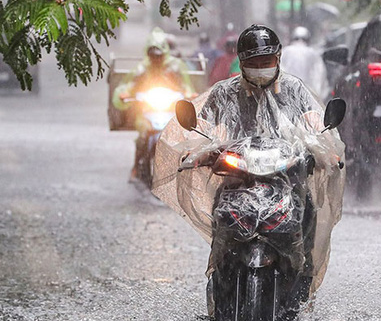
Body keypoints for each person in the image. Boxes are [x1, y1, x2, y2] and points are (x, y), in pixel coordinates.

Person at [152, 24, 345, 297]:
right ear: (241, 63)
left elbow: (313, 121)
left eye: (265, 61)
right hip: (238, 173)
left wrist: (324, 148)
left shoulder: (294, 89)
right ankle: (220, 275)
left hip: (286, 174)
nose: (260, 67)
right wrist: (198, 150)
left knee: (309, 208)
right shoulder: (224, 93)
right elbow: (206, 128)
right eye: (253, 62)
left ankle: (303, 276)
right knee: (222, 210)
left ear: (278, 59)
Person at [113, 27, 195, 182]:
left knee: (184, 137)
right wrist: (125, 94)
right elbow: (128, 86)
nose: (156, 59)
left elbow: (186, 87)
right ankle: (137, 166)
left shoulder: (176, 67)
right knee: (143, 136)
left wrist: (190, 95)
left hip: (171, 111)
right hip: (147, 112)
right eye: (153, 56)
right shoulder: (141, 69)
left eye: (159, 55)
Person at [280, 26, 328, 100]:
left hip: (287, 94)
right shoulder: (313, 53)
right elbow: (319, 75)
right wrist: (318, 96)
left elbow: (280, 71)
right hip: (307, 96)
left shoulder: (285, 51)